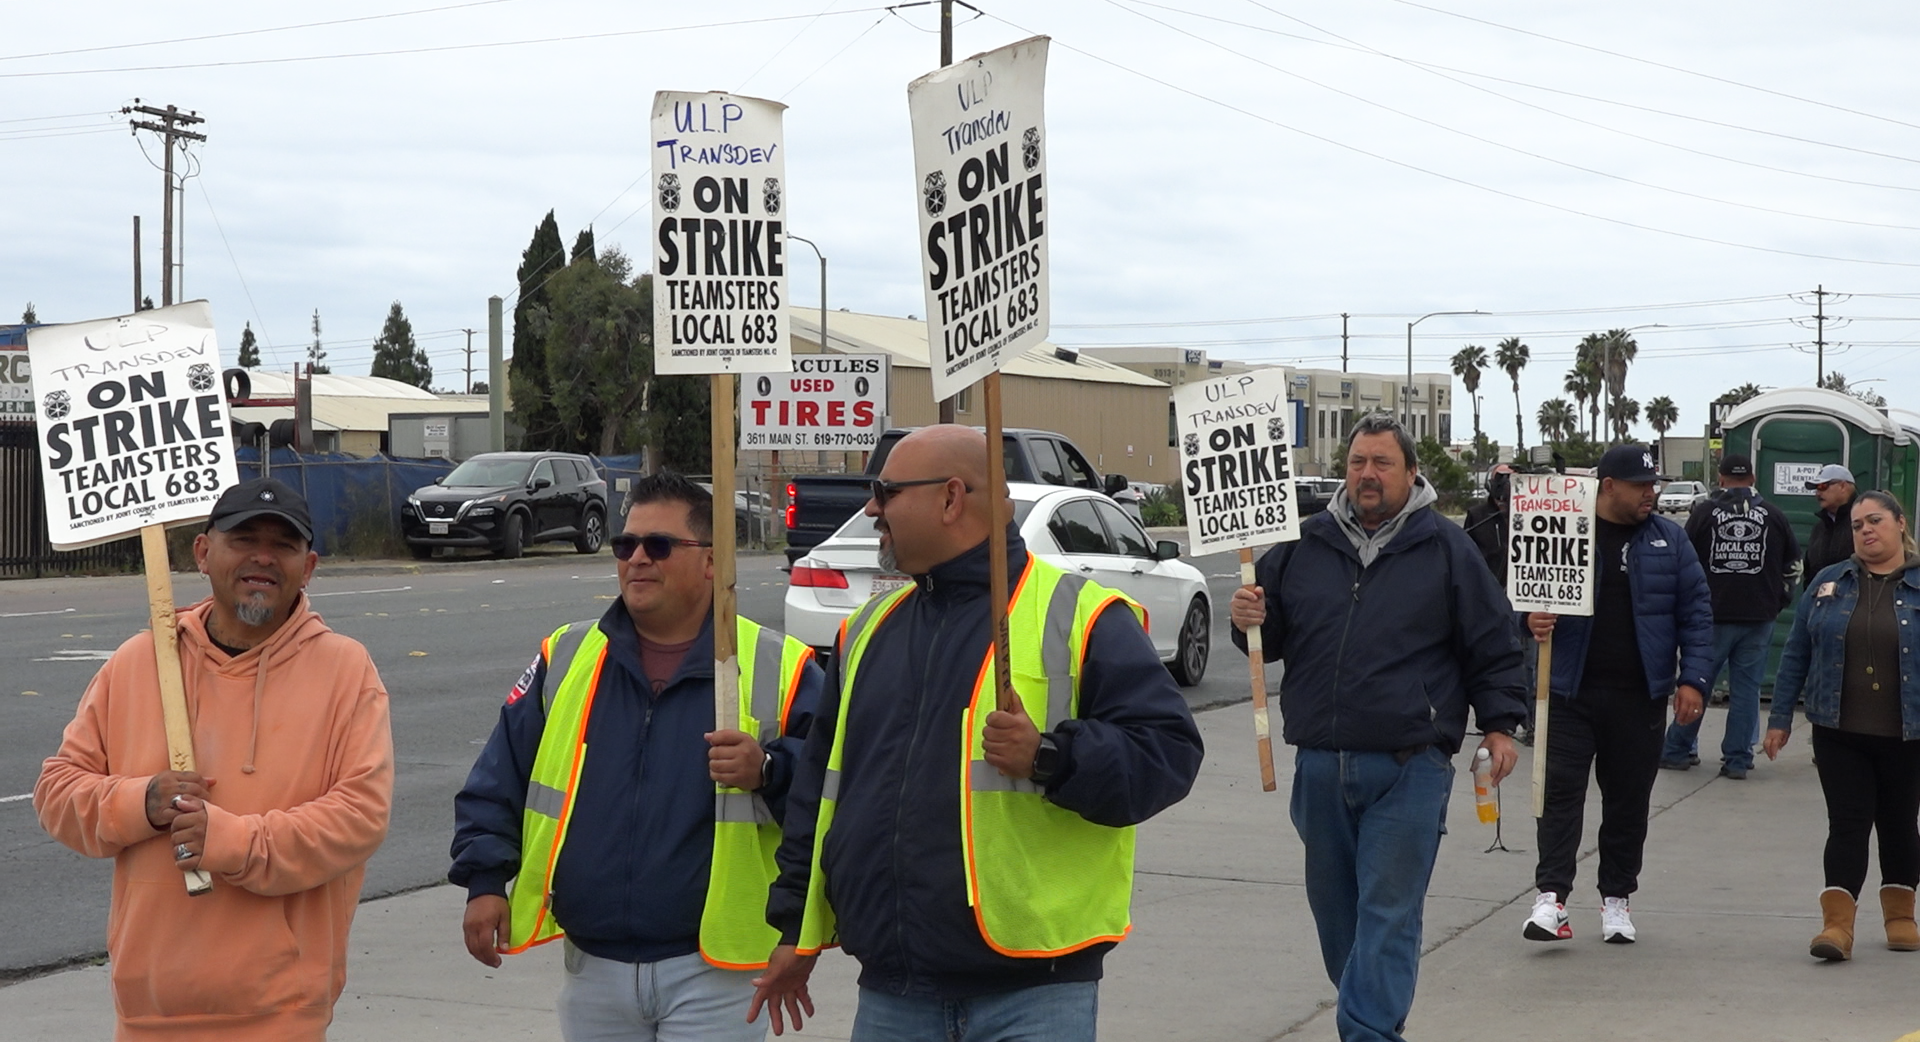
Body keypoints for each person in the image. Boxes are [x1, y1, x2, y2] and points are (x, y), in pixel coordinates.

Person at [750, 425, 1203, 1041]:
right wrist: (793, 929)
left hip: (1034, 991)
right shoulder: (866, 631)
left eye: (885, 491)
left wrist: (1050, 757)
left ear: (951, 497)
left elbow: (1168, 754)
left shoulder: (1080, 614)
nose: (872, 510)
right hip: (894, 988)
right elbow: (819, 794)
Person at [450, 470, 823, 1041]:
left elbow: (831, 800)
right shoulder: (567, 655)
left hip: (716, 974)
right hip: (593, 968)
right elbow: (499, 776)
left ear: (712, 561)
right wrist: (484, 880)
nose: (637, 559)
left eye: (659, 545)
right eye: (625, 545)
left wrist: (768, 771)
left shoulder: (781, 666)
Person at [36, 479, 394, 1040]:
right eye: (244, 539)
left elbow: (360, 816)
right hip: (149, 1011)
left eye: (283, 545)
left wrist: (234, 842)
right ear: (202, 553)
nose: (263, 558)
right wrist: (140, 801)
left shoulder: (345, 671)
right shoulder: (138, 662)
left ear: (308, 567)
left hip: (280, 1013)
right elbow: (57, 793)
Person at [1229, 412, 1529, 1042]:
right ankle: (1366, 1014)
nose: (1368, 474)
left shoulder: (1447, 549)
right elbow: (1267, 639)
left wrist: (1501, 725)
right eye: (1358, 462)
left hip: (1409, 765)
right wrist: (1246, 617)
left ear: (1411, 472)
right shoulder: (1302, 544)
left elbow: (1493, 642)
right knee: (1337, 915)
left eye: (1382, 463)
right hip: (1320, 764)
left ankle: (1368, 1031)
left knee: (1388, 913)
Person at [1523, 445, 1712, 945]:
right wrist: (1527, 619)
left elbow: (1696, 612)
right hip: (1568, 693)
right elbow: (1515, 595)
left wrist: (1693, 679)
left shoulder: (1670, 540)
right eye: (1641, 486)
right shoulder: (1562, 532)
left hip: (1639, 697)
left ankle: (1616, 899)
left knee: (1628, 804)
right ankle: (1551, 898)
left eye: (1654, 485)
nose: (1652, 494)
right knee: (1558, 798)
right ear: (1608, 486)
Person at [1764, 489, 1920, 961]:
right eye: (1857, 525)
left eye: (1875, 521)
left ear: (1900, 523)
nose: (1865, 531)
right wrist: (1779, 719)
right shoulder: (1829, 582)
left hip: (1908, 734)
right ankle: (1837, 926)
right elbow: (1796, 652)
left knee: (1899, 824)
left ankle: (1901, 918)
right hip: (1839, 732)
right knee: (1847, 824)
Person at [1659, 453, 1799, 779]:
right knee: (1747, 690)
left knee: (1698, 684)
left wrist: (1685, 607)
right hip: (1759, 618)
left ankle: (1678, 749)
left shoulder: (1704, 513)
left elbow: (1682, 561)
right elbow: (1793, 566)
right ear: (1753, 478)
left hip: (1711, 617)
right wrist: (1777, 602)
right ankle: (1737, 759)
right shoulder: (1774, 515)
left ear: (1720, 479)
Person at [1804, 464, 1857, 589]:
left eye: (1823, 486)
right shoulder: (1819, 529)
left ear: (1843, 486)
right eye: (1816, 488)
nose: (1818, 493)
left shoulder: (1862, 524)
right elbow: (1809, 573)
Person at [1462, 463, 1514, 585]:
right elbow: (1465, 557)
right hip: (1487, 586)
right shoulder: (1477, 516)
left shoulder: (1531, 516)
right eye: (1500, 478)